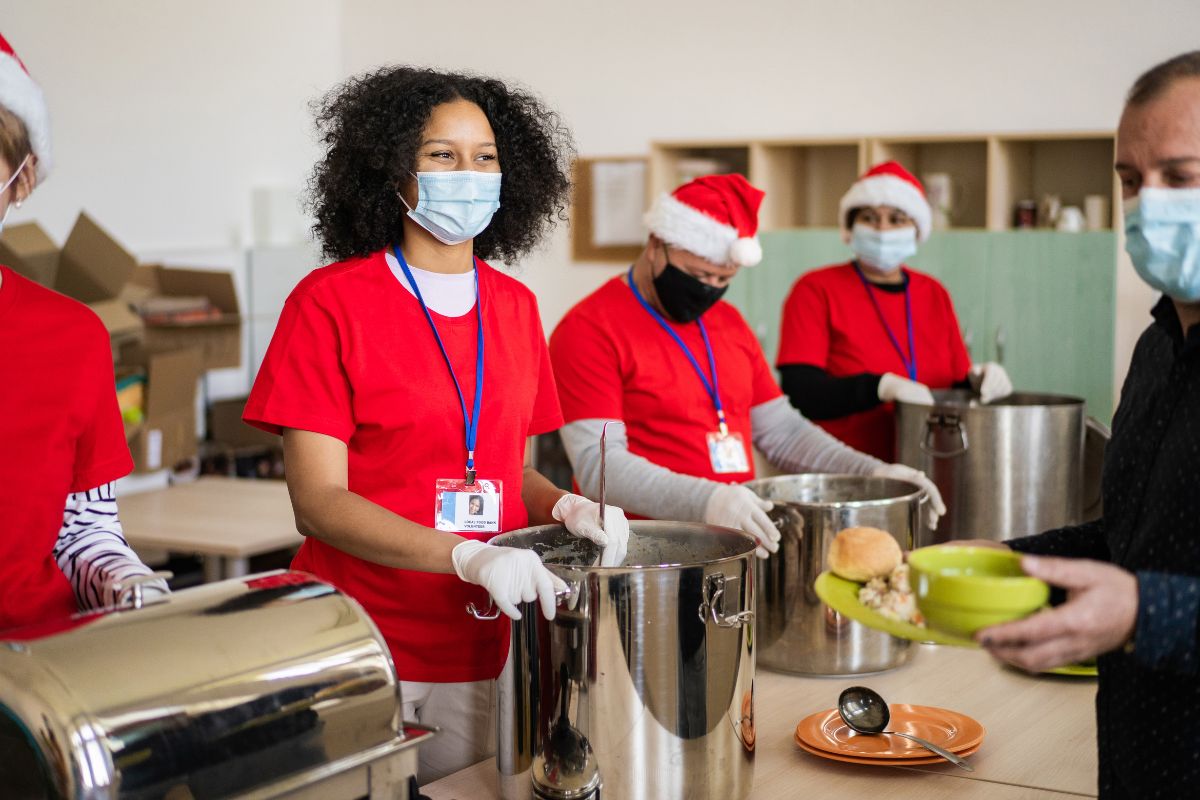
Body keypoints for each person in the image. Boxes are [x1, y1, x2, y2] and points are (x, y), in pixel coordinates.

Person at [242, 66, 629, 782]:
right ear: (391, 169)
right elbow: (318, 502)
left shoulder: (515, 307)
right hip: (360, 639)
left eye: (485, 157)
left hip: (485, 643)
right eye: (441, 155)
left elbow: (506, 470)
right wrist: (466, 556)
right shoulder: (330, 304)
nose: (469, 174)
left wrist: (566, 506)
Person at [976, 52, 1200, 798]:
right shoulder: (1159, 348)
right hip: (1139, 756)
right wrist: (1003, 564)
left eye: (1180, 176)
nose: (1147, 206)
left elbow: (1143, 588)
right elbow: (1132, 539)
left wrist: (1144, 612)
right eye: (1130, 181)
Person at [548, 174, 943, 557]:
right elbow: (602, 469)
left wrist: (873, 475)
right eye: (699, 274)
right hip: (642, 554)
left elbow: (784, 432)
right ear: (656, 244)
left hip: (731, 546)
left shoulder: (729, 323)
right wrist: (710, 499)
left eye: (723, 278)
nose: (708, 289)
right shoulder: (587, 330)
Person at [0, 32, 166, 631]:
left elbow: (82, 529)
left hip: (31, 669)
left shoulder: (72, 337)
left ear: (20, 179)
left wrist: (123, 580)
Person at [775, 162, 1012, 461]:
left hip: (932, 460)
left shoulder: (933, 294)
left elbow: (949, 387)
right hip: (848, 466)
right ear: (850, 228)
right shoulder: (815, 289)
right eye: (869, 218)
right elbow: (802, 394)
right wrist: (879, 387)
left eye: (896, 219)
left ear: (916, 231)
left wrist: (978, 382)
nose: (883, 229)